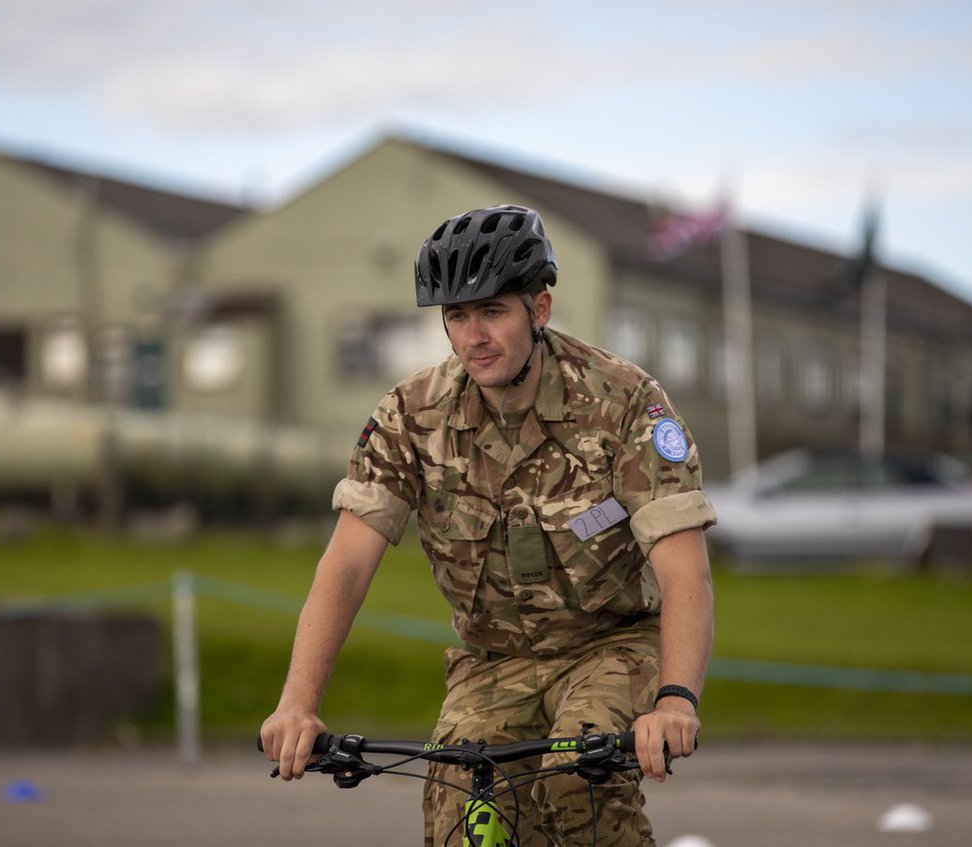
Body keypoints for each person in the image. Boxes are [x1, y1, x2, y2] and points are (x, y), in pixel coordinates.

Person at [259, 204, 716, 846]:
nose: (474, 336)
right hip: (492, 659)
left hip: (609, 647)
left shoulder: (624, 405)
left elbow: (684, 570)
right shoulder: (412, 416)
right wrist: (296, 703)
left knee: (575, 776)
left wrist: (674, 702)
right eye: (457, 316)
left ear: (540, 308)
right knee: (461, 809)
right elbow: (347, 565)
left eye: (493, 311)